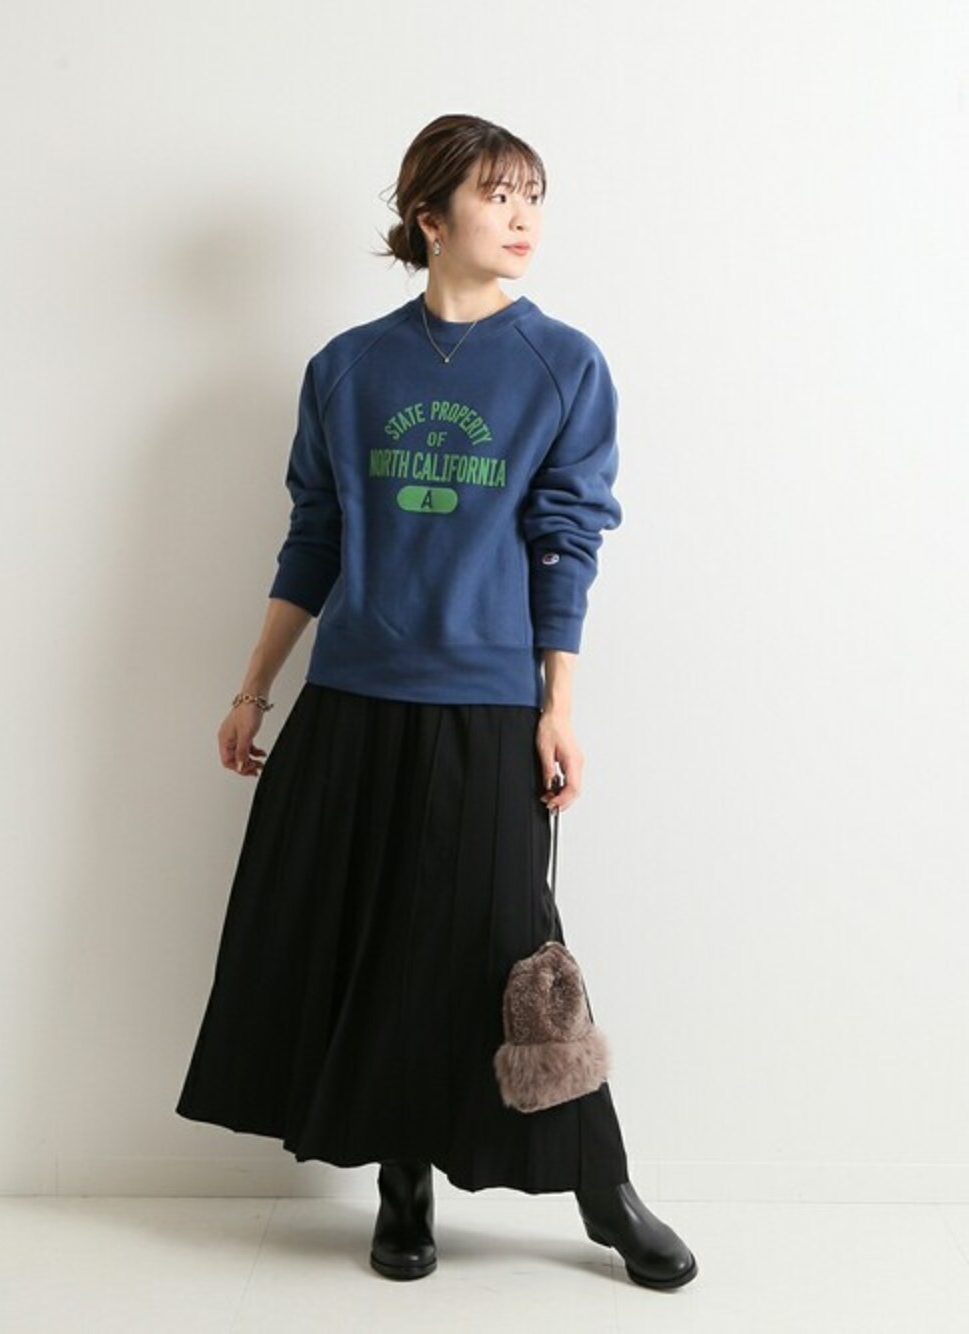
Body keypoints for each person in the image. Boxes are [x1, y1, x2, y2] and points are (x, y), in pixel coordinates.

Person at [175, 113, 697, 1290]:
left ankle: (603, 1188)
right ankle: (401, 1180)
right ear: (429, 216)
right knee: (368, 940)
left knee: (514, 951)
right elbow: (315, 533)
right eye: (496, 194)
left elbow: (567, 541)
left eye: (533, 196)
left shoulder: (562, 364)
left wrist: (556, 704)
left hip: (486, 704)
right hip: (351, 699)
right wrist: (254, 687)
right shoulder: (348, 367)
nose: (522, 217)